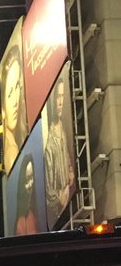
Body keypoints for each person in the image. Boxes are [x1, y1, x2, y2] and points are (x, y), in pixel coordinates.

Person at [44, 73, 75, 224]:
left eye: (63, 96)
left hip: (70, 199)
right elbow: (49, 192)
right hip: (59, 213)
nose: (61, 102)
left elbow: (68, 157)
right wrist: (60, 198)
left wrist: (70, 170)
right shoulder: (49, 144)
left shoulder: (62, 128)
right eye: (58, 97)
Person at [1, 41, 27, 175]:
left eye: (18, 86)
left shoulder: (17, 144)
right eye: (10, 92)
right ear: (3, 109)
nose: (15, 101)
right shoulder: (12, 157)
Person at [14, 154, 38, 236]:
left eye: (32, 177)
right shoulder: (22, 222)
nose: (31, 183)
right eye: (28, 179)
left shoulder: (36, 212)